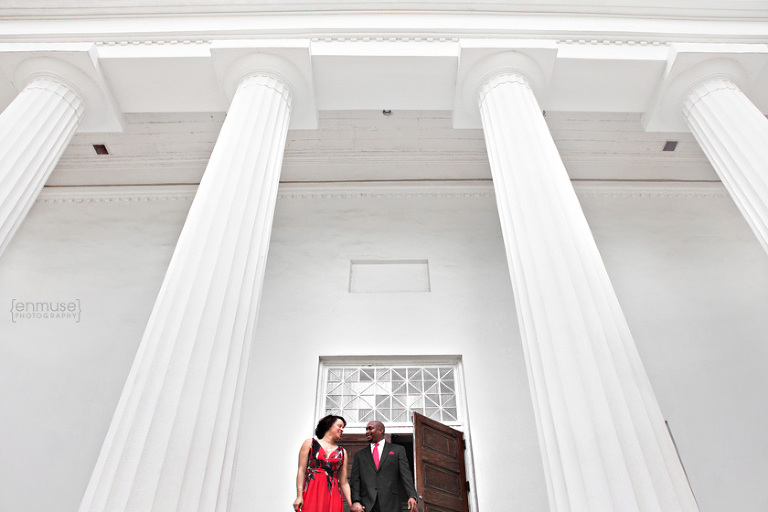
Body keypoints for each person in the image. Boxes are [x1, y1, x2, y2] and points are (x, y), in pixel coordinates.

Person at [350, 421, 418, 512]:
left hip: (391, 503)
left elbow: (406, 475)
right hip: (367, 505)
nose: (367, 432)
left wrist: (412, 496)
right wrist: (356, 501)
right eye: (366, 429)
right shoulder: (360, 455)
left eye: (370, 429)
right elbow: (355, 481)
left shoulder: (397, 450)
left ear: (381, 430)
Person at [294, 415, 353, 512]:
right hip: (312, 490)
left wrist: (352, 505)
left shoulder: (342, 452)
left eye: (343, 428)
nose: (342, 430)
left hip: (333, 493)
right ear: (329, 425)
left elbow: (344, 483)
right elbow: (301, 470)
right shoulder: (310, 443)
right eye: (339, 426)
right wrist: (299, 496)